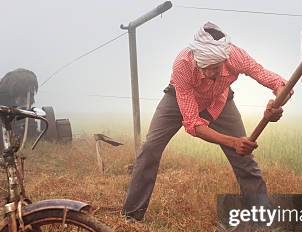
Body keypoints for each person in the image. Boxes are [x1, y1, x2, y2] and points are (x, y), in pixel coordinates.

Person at [122, 21, 288, 221]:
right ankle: (131, 217)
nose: (210, 73)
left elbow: (277, 82)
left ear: (224, 59)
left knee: (244, 158)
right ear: (197, 59)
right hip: (179, 99)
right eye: (205, 68)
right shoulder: (183, 64)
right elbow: (193, 124)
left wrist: (278, 102)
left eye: (216, 68)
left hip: (220, 100)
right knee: (150, 148)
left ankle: (263, 221)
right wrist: (233, 141)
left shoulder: (235, 55)